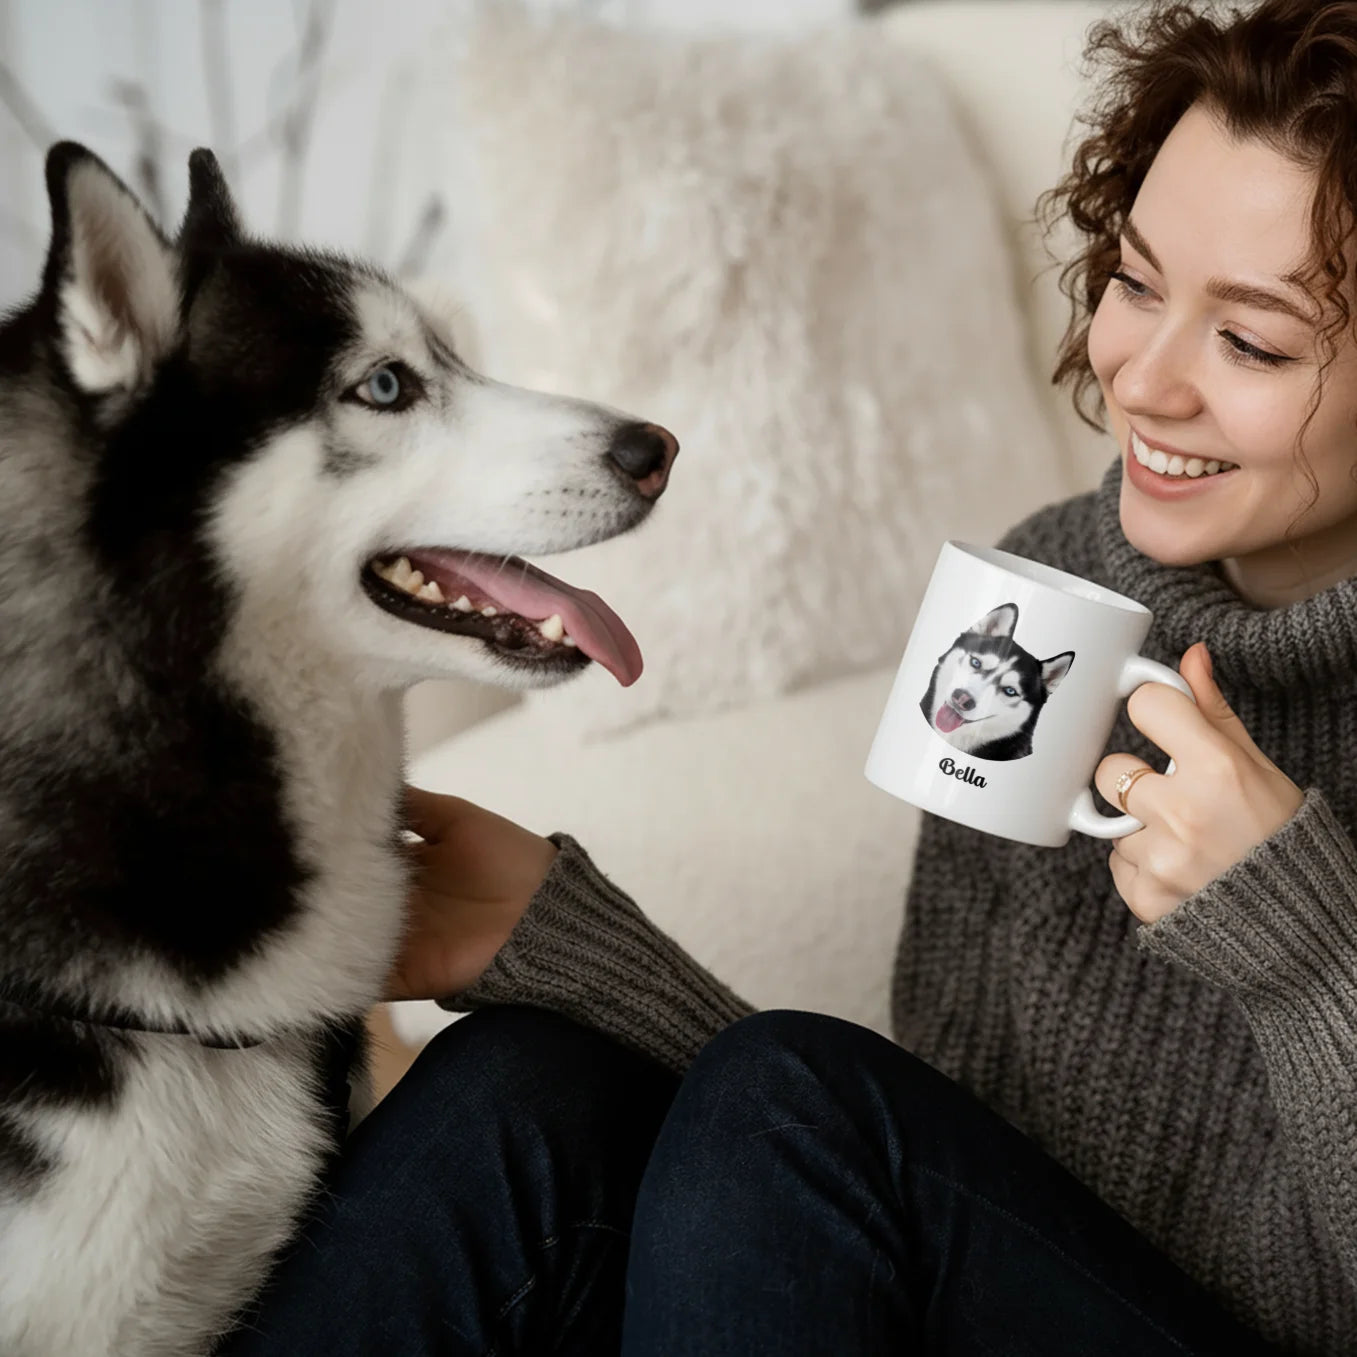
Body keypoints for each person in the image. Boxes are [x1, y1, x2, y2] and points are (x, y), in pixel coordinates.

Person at [217, 0, 1357, 1352]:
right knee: (521, 1078)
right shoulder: (1049, 587)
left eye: (1251, 342)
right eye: (1134, 280)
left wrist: (1307, 953)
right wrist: (573, 951)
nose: (1142, 378)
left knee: (787, 1089)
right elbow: (918, 1168)